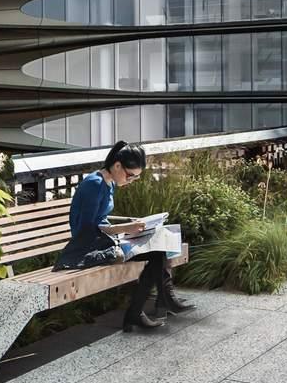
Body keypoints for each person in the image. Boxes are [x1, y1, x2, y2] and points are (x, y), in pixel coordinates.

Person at [57, 142, 190, 331]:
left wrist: (132, 226)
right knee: (156, 254)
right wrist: (126, 228)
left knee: (160, 247)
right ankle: (149, 307)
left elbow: (101, 220)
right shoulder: (94, 184)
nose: (131, 181)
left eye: (135, 178)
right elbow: (87, 228)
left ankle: (152, 305)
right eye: (130, 176)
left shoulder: (108, 182)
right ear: (117, 165)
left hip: (103, 242)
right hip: (88, 248)